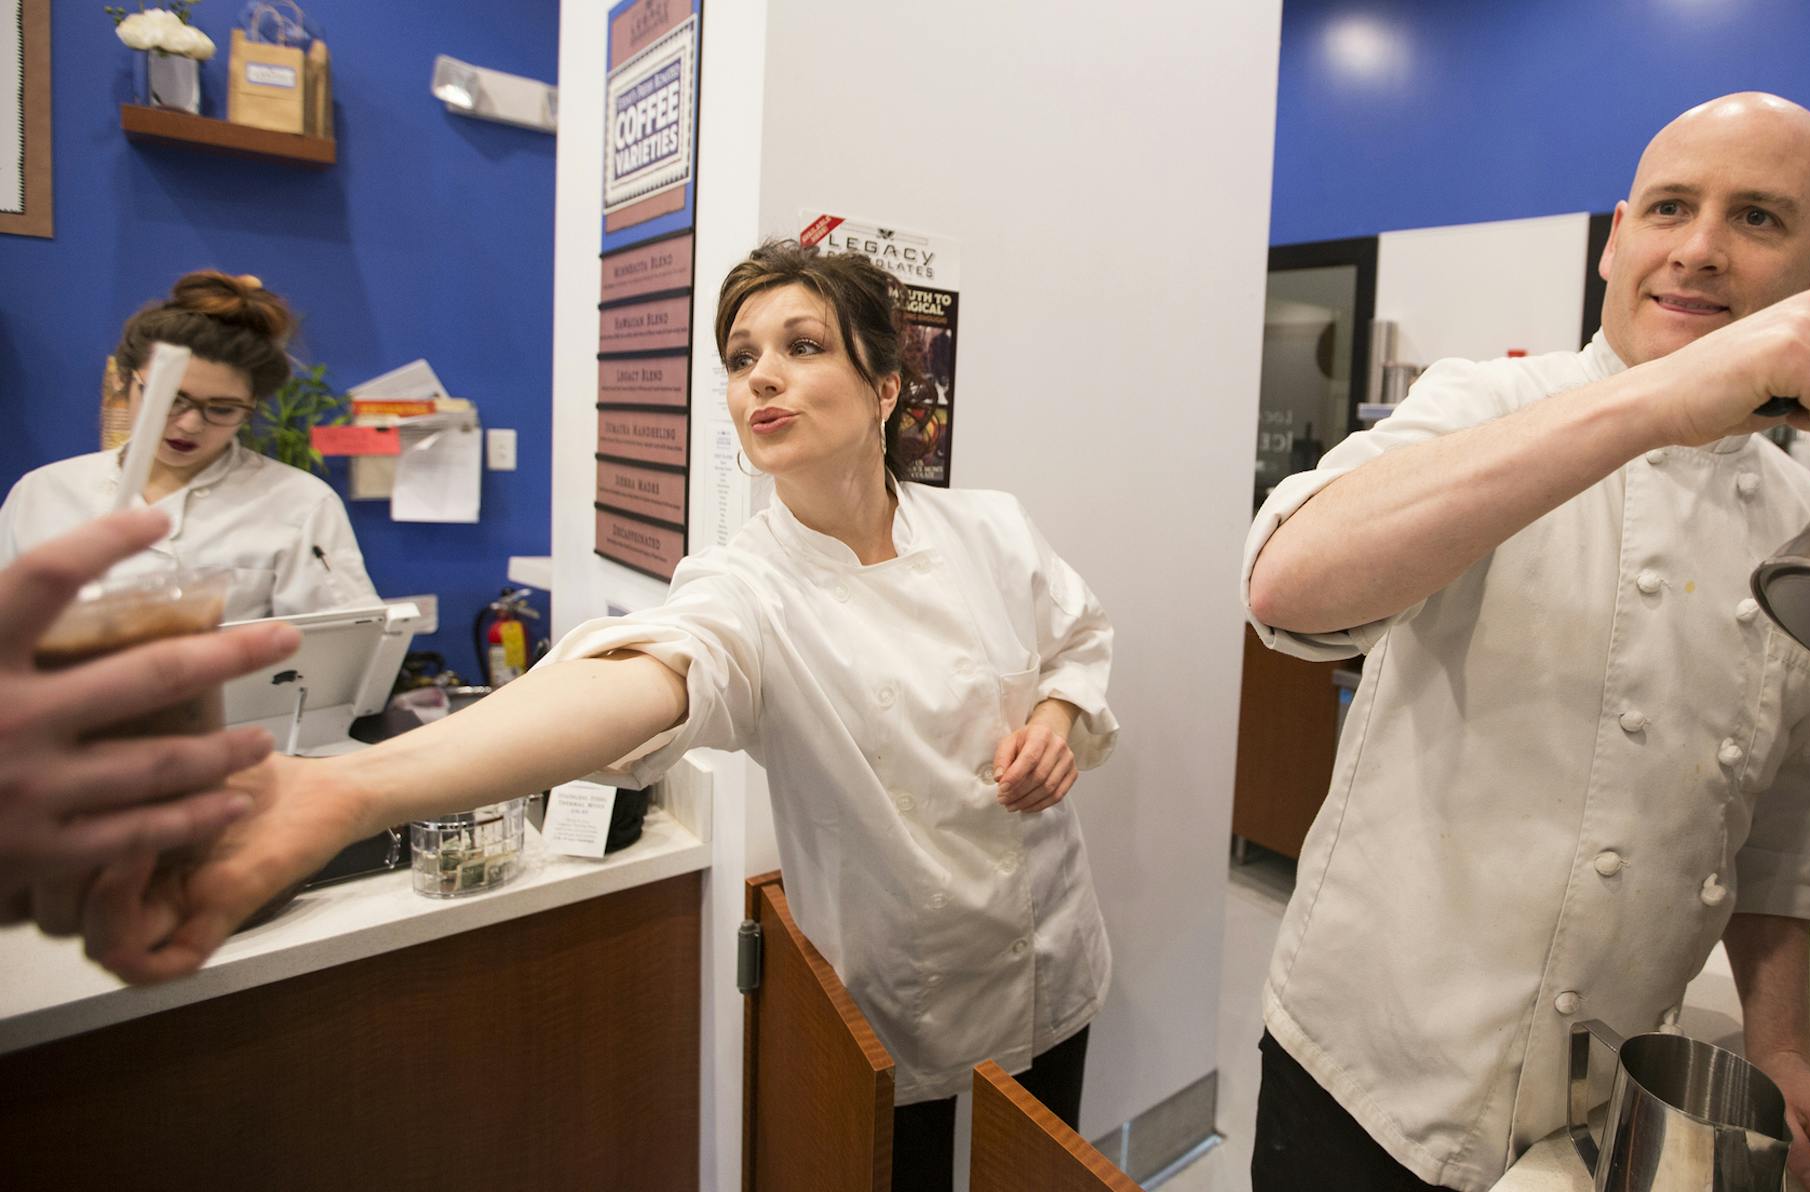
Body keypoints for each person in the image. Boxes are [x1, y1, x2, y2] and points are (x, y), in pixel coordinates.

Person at [77, 242, 1119, 1192]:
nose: (759, 374)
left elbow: (1077, 640)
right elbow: (654, 670)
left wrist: (1063, 718)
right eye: (741, 353)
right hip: (908, 992)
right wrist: (355, 788)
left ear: (887, 387)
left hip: (1049, 948)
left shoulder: (990, 528)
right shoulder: (743, 583)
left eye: (801, 346)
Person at [1241, 94, 1810, 1192]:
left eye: (1758, 219)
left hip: (1609, 1104)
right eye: (1672, 207)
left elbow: (1781, 837)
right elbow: (1288, 592)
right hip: (1367, 1071)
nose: (1701, 249)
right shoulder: (1488, 403)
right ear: (1619, 236)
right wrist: (1662, 400)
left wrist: (1781, 1055)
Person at [0, 270, 379, 621]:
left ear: (250, 409)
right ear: (124, 382)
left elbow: (346, 646)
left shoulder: (300, 504)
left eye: (223, 408)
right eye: (170, 398)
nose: (190, 423)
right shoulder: (43, 493)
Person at [1, 508, 299, 930]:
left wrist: (327, 792)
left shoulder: (298, 501)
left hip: (217, 771)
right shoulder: (39, 493)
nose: (191, 435)